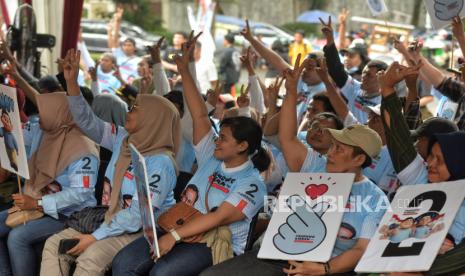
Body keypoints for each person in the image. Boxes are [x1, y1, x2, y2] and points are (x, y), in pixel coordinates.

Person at [201, 54, 388, 276]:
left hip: (328, 268)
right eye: (333, 145)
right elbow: (288, 138)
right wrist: (290, 92)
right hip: (280, 255)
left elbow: (361, 249)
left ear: (359, 159)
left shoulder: (375, 200)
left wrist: (323, 269)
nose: (331, 152)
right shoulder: (315, 166)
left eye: (339, 149)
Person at [112, 31, 270, 276]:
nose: (216, 141)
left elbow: (219, 218)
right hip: (178, 223)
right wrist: (184, 69)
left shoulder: (253, 183)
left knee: (162, 273)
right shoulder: (212, 155)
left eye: (224, 139)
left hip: (211, 241)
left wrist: (173, 237)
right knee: (123, 263)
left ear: (243, 146)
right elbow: (198, 114)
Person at [40, 49, 180, 276]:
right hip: (110, 218)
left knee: (89, 259)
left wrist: (94, 238)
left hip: (139, 230)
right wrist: (71, 83)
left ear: (151, 119)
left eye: (135, 109)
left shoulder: (160, 163)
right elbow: (87, 121)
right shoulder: (123, 138)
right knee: (54, 246)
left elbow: (137, 215)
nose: (129, 110)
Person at [0, 53, 99, 276]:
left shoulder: (83, 149)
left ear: (61, 113)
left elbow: (81, 194)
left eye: (46, 110)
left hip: (70, 215)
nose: (38, 114)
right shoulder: (44, 130)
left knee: (18, 238)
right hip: (35, 204)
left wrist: (38, 203)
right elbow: (13, 131)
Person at [378, 60, 465, 275]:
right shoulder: (421, 178)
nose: (430, 164)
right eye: (431, 156)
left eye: (441, 161)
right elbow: (397, 137)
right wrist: (387, 90)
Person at [320, 16, 387, 124]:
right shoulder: (355, 87)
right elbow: (336, 70)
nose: (363, 77)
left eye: (369, 75)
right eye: (364, 73)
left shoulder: (386, 103)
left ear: (381, 79)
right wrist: (330, 39)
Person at [107, 7, 141, 83]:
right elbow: (115, 39)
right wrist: (117, 21)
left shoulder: (139, 61)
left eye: (129, 45)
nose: (126, 47)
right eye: (125, 45)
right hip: (116, 85)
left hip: (129, 87)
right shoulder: (119, 55)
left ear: (134, 48)